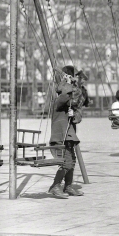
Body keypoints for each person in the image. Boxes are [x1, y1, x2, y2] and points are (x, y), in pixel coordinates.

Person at [47, 66, 86, 198]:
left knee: (72, 161)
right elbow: (64, 95)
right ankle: (55, 186)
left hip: (69, 136)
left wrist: (74, 114)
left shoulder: (71, 101)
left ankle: (68, 185)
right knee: (65, 162)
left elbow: (79, 114)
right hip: (59, 137)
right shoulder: (59, 100)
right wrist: (67, 82)